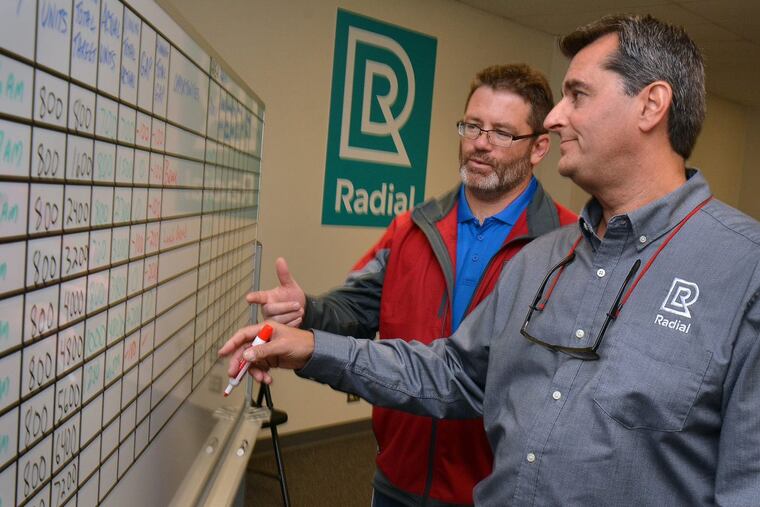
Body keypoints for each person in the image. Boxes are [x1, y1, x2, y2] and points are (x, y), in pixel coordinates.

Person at [222, 14, 760, 505]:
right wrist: (312, 345)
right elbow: (451, 373)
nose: (556, 117)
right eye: (473, 128)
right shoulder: (541, 261)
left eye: (577, 95)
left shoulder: (743, 271)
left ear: (650, 104)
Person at [245, 64, 576, 507]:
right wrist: (306, 309)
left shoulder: (565, 247)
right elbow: (356, 311)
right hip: (398, 478)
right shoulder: (412, 229)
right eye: (473, 126)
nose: (480, 142)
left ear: (538, 148)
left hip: (495, 491)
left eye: (501, 133)